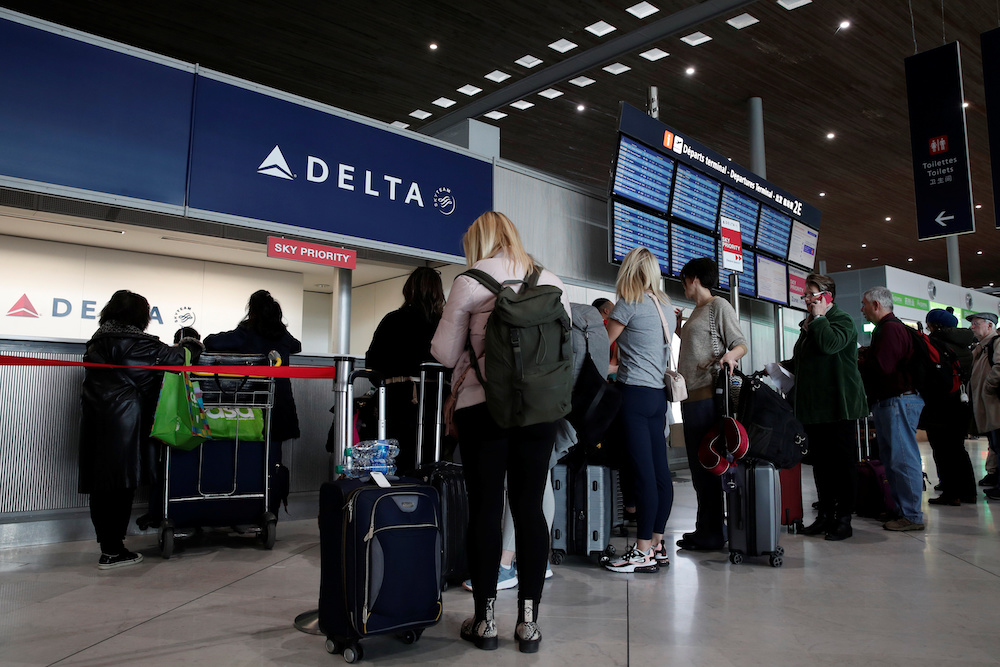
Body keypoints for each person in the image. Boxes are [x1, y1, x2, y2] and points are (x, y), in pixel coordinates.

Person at [431, 211, 570, 654]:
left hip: (483, 407)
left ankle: (485, 619)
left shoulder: (471, 281)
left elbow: (443, 351)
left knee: (486, 508)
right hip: (540, 412)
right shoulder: (551, 280)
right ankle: (528, 623)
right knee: (530, 509)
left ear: (479, 242)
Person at [79, 290, 202, 569]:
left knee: (101, 486)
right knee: (123, 485)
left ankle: (107, 545)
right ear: (140, 316)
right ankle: (114, 550)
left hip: (96, 421)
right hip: (126, 422)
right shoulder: (139, 344)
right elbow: (181, 358)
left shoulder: (96, 342)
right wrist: (192, 343)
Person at [601, 247, 674, 573]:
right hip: (658, 398)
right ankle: (656, 544)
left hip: (634, 395)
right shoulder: (667, 307)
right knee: (660, 475)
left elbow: (601, 346)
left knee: (642, 475)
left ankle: (641, 550)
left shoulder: (630, 303)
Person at [779, 274, 867, 540]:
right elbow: (804, 360)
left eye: (811, 295)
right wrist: (779, 367)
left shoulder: (841, 320)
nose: (806, 300)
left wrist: (818, 319)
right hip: (814, 407)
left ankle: (844, 518)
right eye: (805, 295)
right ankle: (825, 514)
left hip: (838, 407)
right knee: (821, 464)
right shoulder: (809, 325)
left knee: (842, 464)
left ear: (827, 296)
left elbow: (829, 345)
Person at [204, 290, 301, 515]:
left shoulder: (246, 332)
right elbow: (297, 346)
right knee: (273, 460)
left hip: (251, 406)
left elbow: (212, 342)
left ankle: (244, 506)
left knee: (247, 457)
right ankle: (271, 510)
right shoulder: (282, 335)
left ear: (252, 311)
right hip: (280, 405)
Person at [674, 258, 747, 551]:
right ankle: (707, 527)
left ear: (693, 279)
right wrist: (680, 327)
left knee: (706, 463)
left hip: (706, 396)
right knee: (698, 465)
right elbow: (698, 347)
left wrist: (732, 356)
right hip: (691, 396)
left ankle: (713, 532)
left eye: (684, 280)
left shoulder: (718, 306)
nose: (684, 286)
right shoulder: (697, 311)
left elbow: (739, 342)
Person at [364, 266, 445, 472]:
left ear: (408, 290)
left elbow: (372, 364)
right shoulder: (445, 324)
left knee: (396, 465)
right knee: (433, 464)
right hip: (437, 405)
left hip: (396, 403)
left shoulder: (392, 320)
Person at [858, 286, 925, 531]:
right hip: (893, 401)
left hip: (897, 401)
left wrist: (860, 361)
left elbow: (883, 367)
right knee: (892, 459)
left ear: (877, 305)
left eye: (864, 303)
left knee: (903, 459)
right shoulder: (890, 329)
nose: (862, 309)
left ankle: (912, 515)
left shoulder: (890, 329)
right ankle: (900, 509)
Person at [922, 308, 977, 505]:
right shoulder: (964, 344)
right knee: (958, 449)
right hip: (961, 401)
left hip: (940, 403)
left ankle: (951, 493)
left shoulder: (935, 343)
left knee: (943, 449)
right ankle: (969, 492)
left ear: (933, 324)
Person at [965, 312, 1000, 501]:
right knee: (995, 445)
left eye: (976, 324)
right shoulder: (982, 348)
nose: (972, 327)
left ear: (989, 326)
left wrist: (988, 386)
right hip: (989, 406)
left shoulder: (996, 343)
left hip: (995, 404)